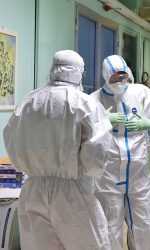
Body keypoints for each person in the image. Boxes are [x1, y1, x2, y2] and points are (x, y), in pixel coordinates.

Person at [3, 50, 113, 250]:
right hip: (73, 192)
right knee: (89, 244)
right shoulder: (85, 103)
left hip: (33, 190)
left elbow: (11, 139)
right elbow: (96, 155)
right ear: (78, 72)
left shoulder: (29, 101)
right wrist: (84, 173)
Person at [90, 55, 150, 250]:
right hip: (107, 177)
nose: (120, 82)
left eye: (123, 77)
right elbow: (84, 136)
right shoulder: (93, 100)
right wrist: (103, 120)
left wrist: (146, 124)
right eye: (114, 78)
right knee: (109, 227)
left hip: (138, 175)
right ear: (106, 77)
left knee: (145, 225)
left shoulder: (141, 93)